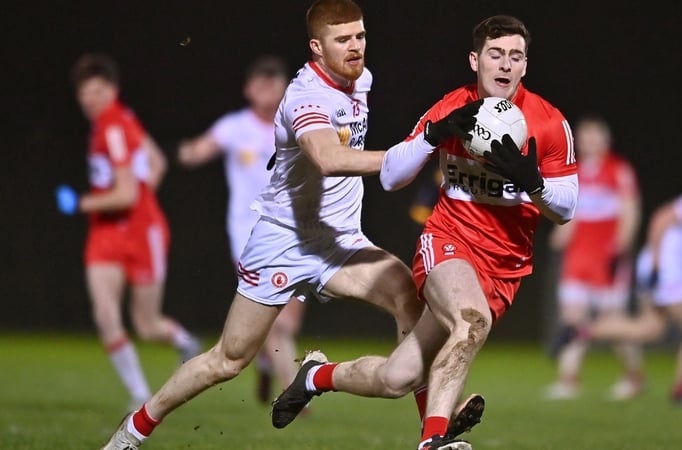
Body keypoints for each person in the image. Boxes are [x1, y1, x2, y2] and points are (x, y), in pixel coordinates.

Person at [99, 1, 481, 448]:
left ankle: (430, 433)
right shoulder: (306, 97)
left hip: (340, 242)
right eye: (343, 40)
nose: (355, 47)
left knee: (410, 299)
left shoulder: (363, 79)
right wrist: (413, 151)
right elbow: (328, 157)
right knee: (228, 359)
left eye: (360, 36)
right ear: (317, 47)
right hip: (284, 242)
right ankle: (134, 429)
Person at [271, 15, 579, 450]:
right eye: (495, 54)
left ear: (525, 65)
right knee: (471, 323)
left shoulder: (547, 123)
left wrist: (533, 182)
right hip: (449, 242)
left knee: (398, 377)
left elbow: (565, 208)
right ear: (476, 60)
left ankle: (316, 375)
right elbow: (392, 177)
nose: (505, 65)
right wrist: (433, 136)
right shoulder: (451, 106)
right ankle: (434, 440)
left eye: (515, 56)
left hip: (503, 267)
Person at [550, 153, 682, 404]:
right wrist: (655, 266)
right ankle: (681, 390)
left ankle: (581, 331)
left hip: (668, 268)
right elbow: (662, 218)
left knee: (650, 329)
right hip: (666, 267)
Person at [55, 53, 201, 409]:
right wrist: (140, 191)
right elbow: (157, 162)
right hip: (106, 234)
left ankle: (185, 343)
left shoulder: (114, 126)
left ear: (112, 90)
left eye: (98, 90)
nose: (90, 98)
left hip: (141, 233)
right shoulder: (118, 120)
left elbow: (125, 194)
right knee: (104, 313)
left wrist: (81, 204)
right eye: (84, 92)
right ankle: (139, 395)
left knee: (147, 324)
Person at [177, 55, 304, 404]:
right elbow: (199, 150)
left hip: (294, 230)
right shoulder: (235, 127)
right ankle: (293, 392)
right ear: (249, 89)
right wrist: (186, 152)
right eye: (261, 85)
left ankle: (266, 363)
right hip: (250, 236)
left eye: (274, 84)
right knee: (275, 320)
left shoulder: (294, 125)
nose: (268, 92)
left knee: (287, 322)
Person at [544, 114, 643, 401]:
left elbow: (630, 210)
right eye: (585, 137)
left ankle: (633, 377)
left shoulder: (618, 170)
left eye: (595, 136)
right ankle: (568, 380)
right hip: (577, 259)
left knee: (612, 322)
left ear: (606, 140)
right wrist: (560, 234)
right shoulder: (572, 171)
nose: (589, 142)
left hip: (606, 258)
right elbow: (569, 212)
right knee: (571, 318)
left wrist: (621, 247)